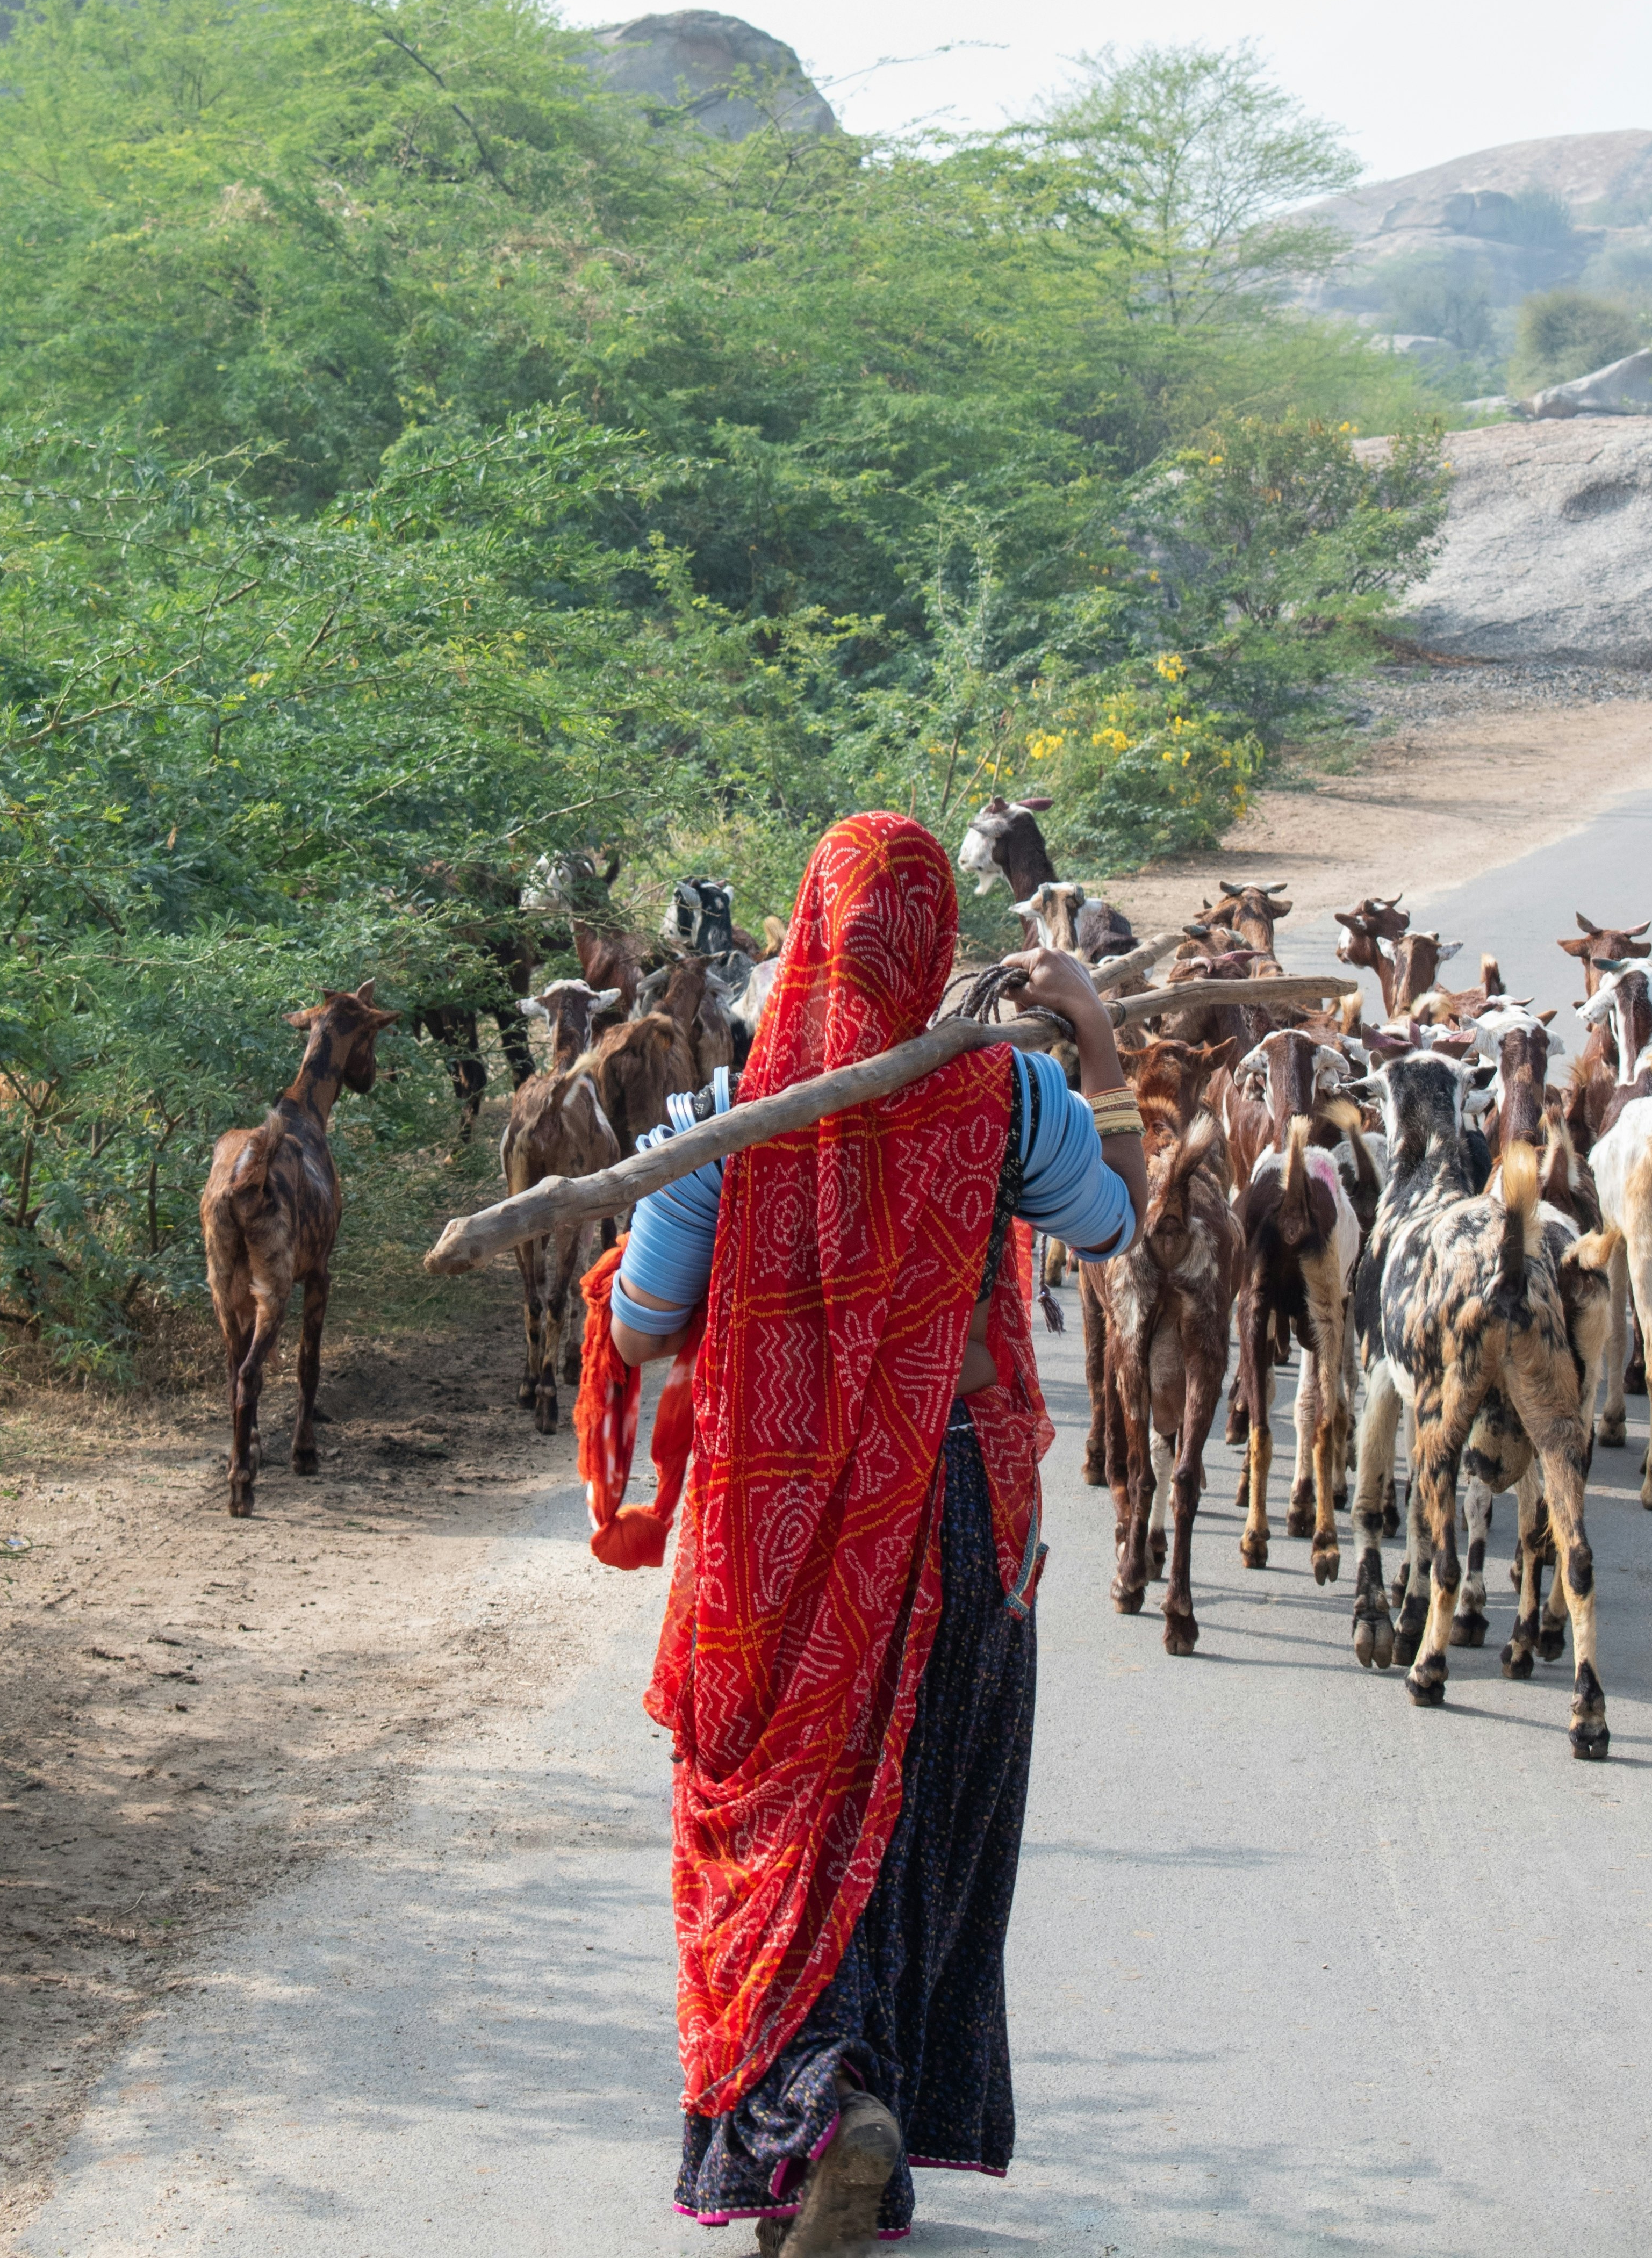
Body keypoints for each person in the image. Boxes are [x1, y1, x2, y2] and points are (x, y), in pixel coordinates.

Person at [600, 812, 1147, 2254]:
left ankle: (820, 2108)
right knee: (909, 1815)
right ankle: (861, 2105)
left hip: (775, 1539)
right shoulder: (1008, 1101)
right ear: (936, 950)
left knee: (789, 1820)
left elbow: (641, 1325)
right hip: (960, 1510)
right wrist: (1088, 1034)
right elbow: (1113, 1224)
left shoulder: (733, 1123)